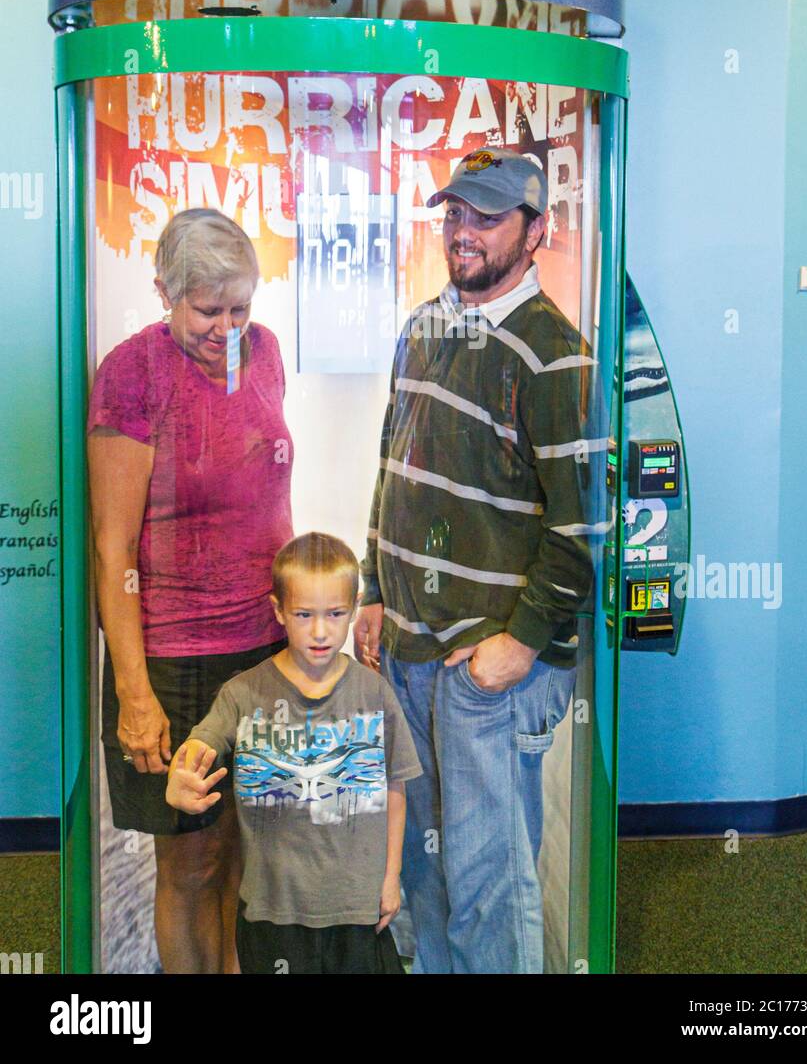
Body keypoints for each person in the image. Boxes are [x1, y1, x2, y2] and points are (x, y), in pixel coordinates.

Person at [354, 147, 597, 975]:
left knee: (491, 888)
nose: (463, 231)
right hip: (409, 653)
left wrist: (518, 647)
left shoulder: (555, 356)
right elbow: (395, 465)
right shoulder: (423, 326)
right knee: (422, 870)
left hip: (489, 673)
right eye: (455, 212)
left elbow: (585, 531)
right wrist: (371, 589)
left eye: (487, 216)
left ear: (537, 232)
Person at [87, 208, 293, 974]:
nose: (228, 327)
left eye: (240, 307)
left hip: (263, 650)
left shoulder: (265, 352)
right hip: (173, 659)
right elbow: (113, 551)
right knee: (189, 862)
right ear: (164, 293)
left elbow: (269, 491)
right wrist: (135, 695)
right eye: (209, 310)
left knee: (243, 854)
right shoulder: (132, 372)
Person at [166, 532, 422, 975]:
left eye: (335, 614)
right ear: (278, 610)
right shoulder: (243, 693)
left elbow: (394, 785)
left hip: (358, 913)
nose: (320, 631)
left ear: (354, 608)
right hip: (273, 915)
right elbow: (202, 743)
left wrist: (390, 877)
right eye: (304, 614)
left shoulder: (374, 692)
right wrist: (180, 775)